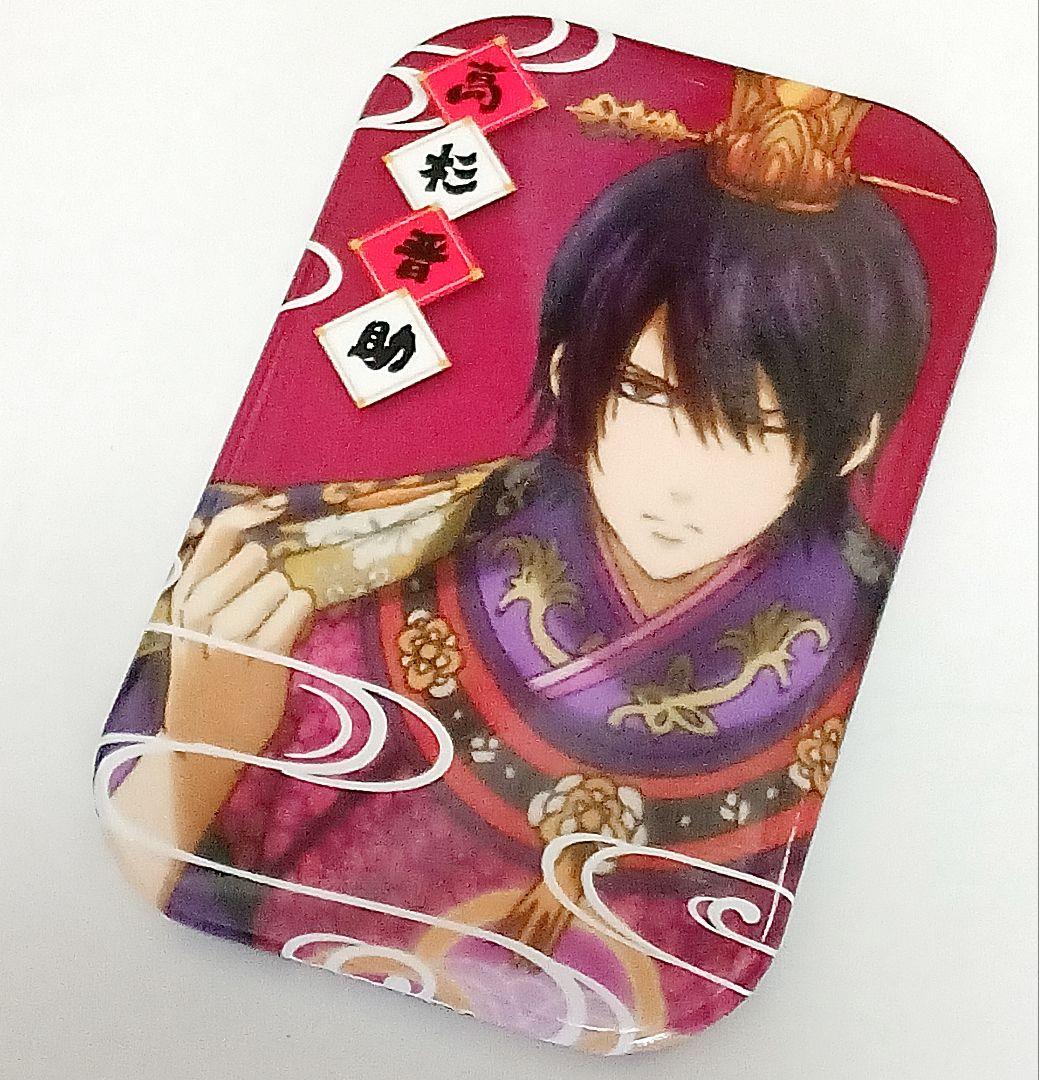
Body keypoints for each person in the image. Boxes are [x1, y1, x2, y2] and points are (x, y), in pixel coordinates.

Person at [99, 87, 931, 1049]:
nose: (678, 476)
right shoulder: (336, 581)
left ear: (852, 441)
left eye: (756, 425)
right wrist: (202, 747)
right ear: (570, 369)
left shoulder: (884, 683)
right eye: (640, 390)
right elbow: (143, 909)